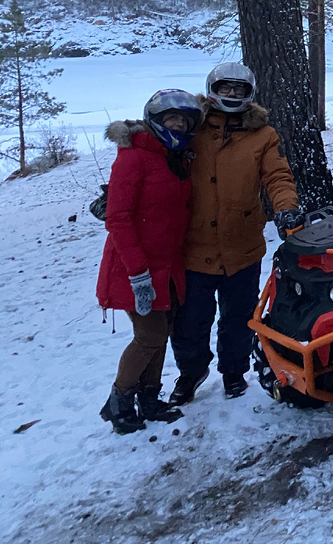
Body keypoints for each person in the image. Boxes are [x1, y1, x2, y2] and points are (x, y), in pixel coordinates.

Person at [168, 62, 302, 405]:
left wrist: (285, 206)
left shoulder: (263, 134)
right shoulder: (191, 127)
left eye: (238, 90)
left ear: (249, 94)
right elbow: (154, 152)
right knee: (190, 320)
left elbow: (278, 176)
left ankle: (233, 372)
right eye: (225, 88)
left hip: (241, 243)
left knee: (238, 317)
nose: (231, 94)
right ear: (213, 89)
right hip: (194, 245)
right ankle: (191, 372)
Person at [97, 89, 203, 433]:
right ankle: (119, 402)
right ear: (156, 120)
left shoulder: (177, 158)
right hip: (135, 266)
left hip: (168, 265)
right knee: (149, 335)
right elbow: (118, 219)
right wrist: (138, 273)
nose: (177, 124)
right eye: (171, 118)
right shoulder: (133, 155)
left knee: (161, 331)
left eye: (183, 120)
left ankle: (149, 397)